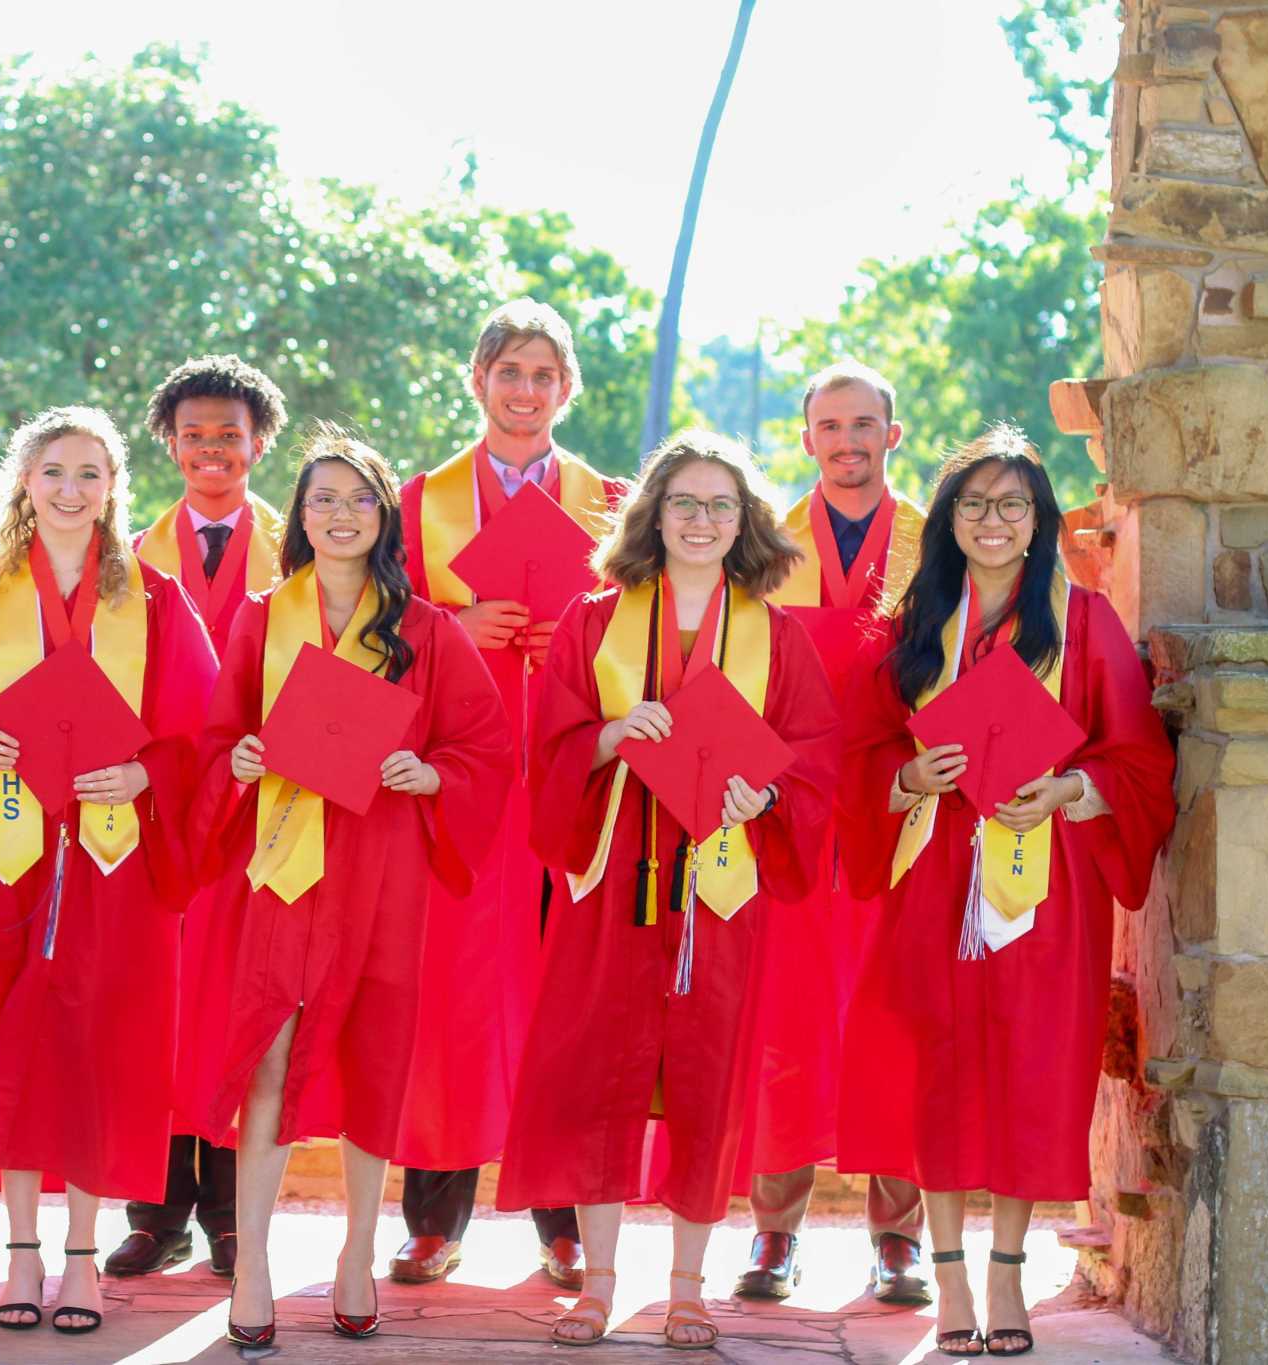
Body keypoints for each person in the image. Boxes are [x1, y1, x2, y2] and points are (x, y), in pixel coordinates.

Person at [835, 427, 1174, 1357]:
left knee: (1031, 1065)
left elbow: (1139, 754)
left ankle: (1007, 1276)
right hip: (934, 870)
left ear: (1038, 521)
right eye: (975, 503)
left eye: (1012, 504)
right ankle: (947, 1277)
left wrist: (1073, 788)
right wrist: (910, 779)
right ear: (948, 519)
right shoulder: (913, 627)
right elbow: (855, 755)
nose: (993, 519)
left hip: (1044, 877)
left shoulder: (1086, 622)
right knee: (939, 1063)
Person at [498, 431, 838, 1350]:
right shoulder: (592, 621)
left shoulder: (780, 635)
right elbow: (552, 746)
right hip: (616, 884)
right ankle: (600, 1286)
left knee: (706, 1079)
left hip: (721, 893)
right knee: (599, 1076)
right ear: (652, 514)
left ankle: (688, 1287)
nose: (701, 520)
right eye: (683, 502)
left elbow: (815, 765)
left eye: (721, 505)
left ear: (746, 522)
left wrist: (764, 792)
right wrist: (610, 735)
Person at [0, 405, 217, 1335]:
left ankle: (82, 1255)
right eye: (54, 472)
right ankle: (21, 1251)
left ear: (114, 489)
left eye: (90, 475)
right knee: (7, 1040)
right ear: (23, 483)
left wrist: (148, 769)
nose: (71, 491)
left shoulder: (151, 600)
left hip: (113, 859)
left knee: (98, 1045)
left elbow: (202, 728)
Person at [197, 427, 512, 1348]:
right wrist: (243, 757)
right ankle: (252, 1261)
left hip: (382, 871)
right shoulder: (262, 616)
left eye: (359, 498)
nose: (340, 513)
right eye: (322, 498)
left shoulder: (427, 631)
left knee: (375, 1058)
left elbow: (483, 750)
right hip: (285, 868)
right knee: (268, 1058)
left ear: (387, 517)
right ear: (298, 516)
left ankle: (355, 1251)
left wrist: (432, 775)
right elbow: (217, 738)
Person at [393, 298, 630, 1288]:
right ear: (476, 381)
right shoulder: (416, 502)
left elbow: (646, 628)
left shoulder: (611, 502)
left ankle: (560, 1217)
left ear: (565, 388)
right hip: (458, 774)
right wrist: (454, 620)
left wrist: (576, 639)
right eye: (507, 372)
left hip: (567, 778)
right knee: (445, 993)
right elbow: (373, 624)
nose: (524, 390)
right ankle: (433, 1220)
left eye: (542, 373)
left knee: (561, 997)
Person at [735, 361, 930, 1303]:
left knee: (897, 1016)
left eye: (864, 424)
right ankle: (776, 1231)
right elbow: (729, 665)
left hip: (904, 809)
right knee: (788, 1018)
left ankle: (899, 1234)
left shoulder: (939, 541)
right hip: (796, 812)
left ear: (893, 434)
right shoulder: (765, 545)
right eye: (828, 425)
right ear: (805, 437)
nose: (846, 440)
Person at [112, 354, 289, 1280]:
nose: (212, 448)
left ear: (261, 440)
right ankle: (154, 1210)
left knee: (233, 1006)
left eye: (231, 432)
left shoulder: (299, 553)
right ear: (168, 443)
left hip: (260, 808)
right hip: (157, 805)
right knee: (156, 1002)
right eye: (194, 434)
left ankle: (227, 1214)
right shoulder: (129, 555)